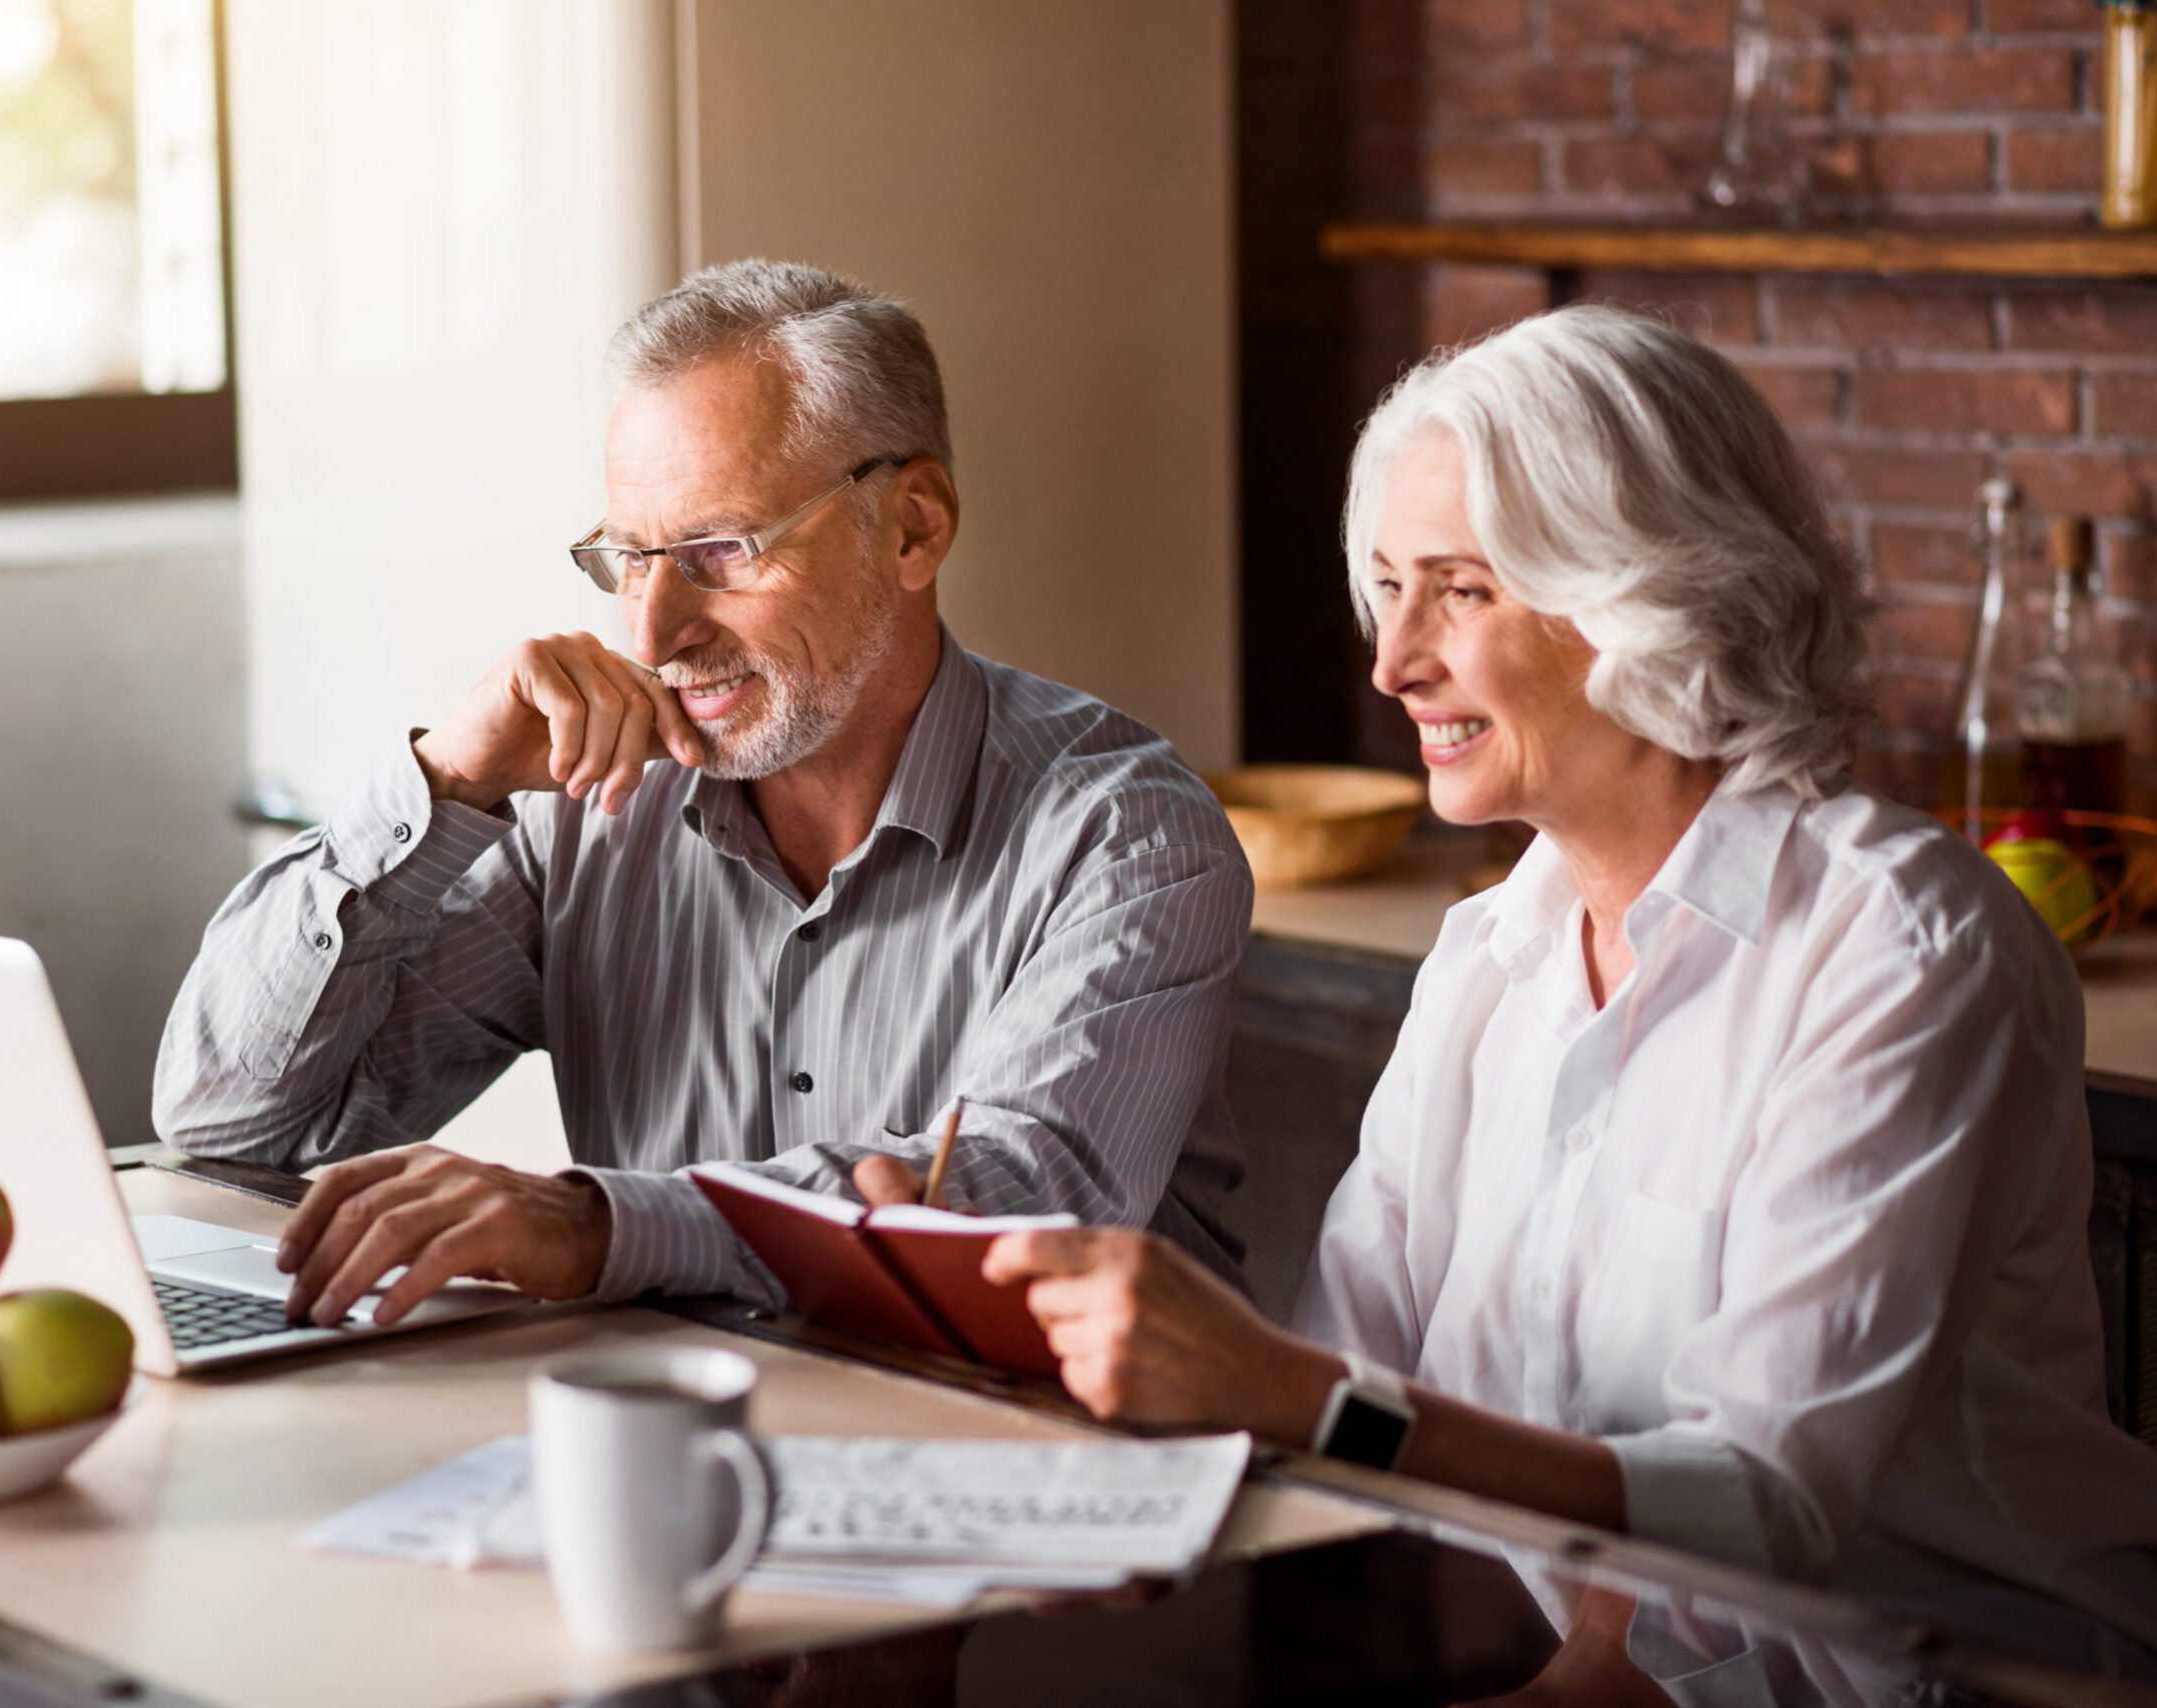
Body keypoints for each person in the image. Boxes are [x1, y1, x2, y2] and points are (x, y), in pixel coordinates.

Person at [921, 306, 2157, 1679]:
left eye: (1458, 589)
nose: (1391, 662)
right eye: (1385, 588)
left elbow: (1758, 1499)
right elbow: (1329, 1393)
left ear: (1646, 590)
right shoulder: (1485, 962)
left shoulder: (1904, 952)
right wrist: (955, 1314)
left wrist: (1294, 1398)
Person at [151, 259, 1251, 1330]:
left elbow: (1010, 1213)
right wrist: (444, 779)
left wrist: (597, 1226)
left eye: (719, 550)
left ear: (913, 525)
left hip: (1036, 1478)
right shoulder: (585, 816)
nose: (653, 631)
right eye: (630, 557)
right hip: (697, 1461)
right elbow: (229, 1118)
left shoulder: (1126, 832)